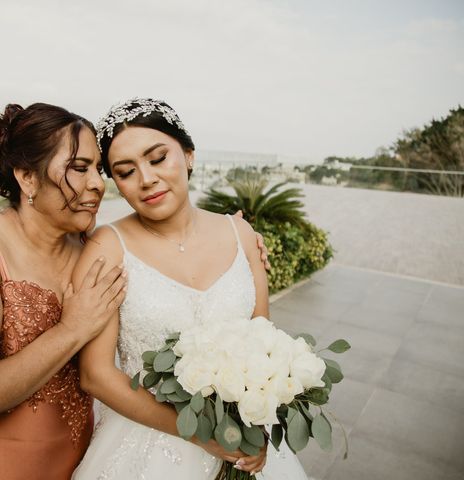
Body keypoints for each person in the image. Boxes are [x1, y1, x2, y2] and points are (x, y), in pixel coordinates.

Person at [72, 98, 308, 479]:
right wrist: (201, 434)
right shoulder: (108, 247)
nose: (146, 178)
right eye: (126, 171)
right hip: (147, 444)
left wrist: (260, 422)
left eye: (158, 157)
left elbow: (263, 342)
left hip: (242, 443)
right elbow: (96, 374)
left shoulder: (241, 234)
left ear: (189, 155)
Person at [0, 102, 128, 479]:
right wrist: (72, 330)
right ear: (27, 178)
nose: (99, 184)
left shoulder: (90, 249)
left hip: (80, 459)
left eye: (98, 170)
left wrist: (234, 240)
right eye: (79, 168)